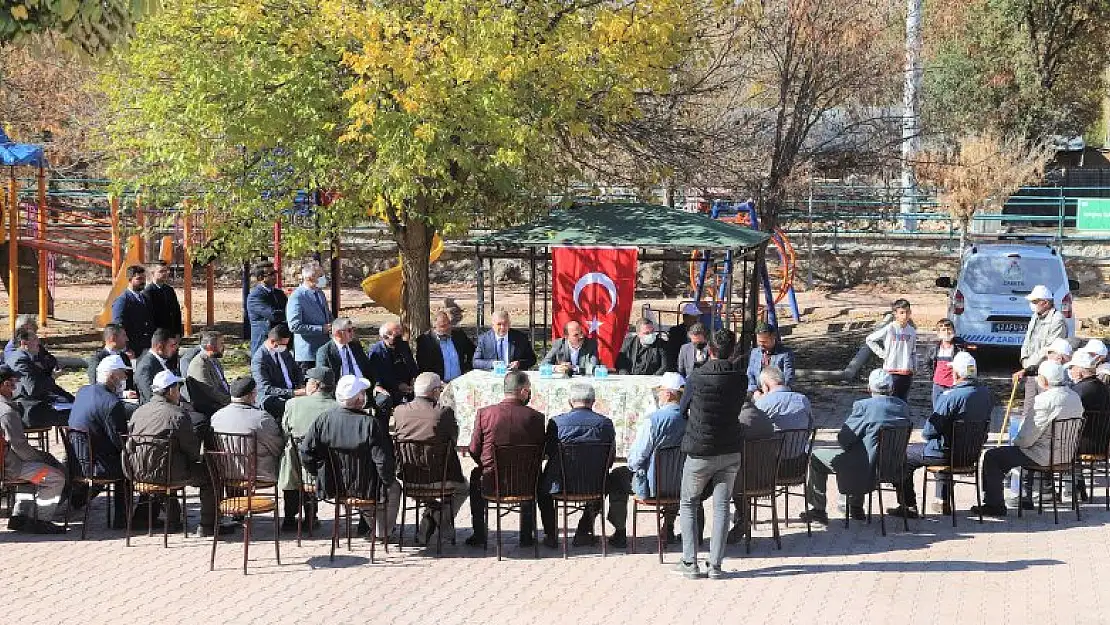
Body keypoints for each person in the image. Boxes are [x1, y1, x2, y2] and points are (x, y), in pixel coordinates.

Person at [675, 328, 745, 580]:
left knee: (689, 503)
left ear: (710, 349)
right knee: (722, 507)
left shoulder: (697, 376)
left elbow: (682, 410)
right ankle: (715, 565)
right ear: (733, 350)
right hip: (730, 448)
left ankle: (689, 561)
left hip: (700, 449)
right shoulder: (741, 378)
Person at [888, 352, 993, 519]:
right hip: (970, 454)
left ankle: (908, 505)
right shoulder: (986, 394)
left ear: (957, 373)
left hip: (944, 454)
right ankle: (942, 499)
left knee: (904, 455)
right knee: (942, 444)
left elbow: (929, 431)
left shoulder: (951, 396)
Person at [800, 369, 912, 525]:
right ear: (892, 389)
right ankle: (854, 506)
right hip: (894, 465)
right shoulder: (903, 407)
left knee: (817, 457)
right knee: (863, 449)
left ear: (869, 388)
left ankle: (818, 509)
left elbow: (844, 439)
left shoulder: (863, 406)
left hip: (866, 467)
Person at [973, 360, 1084, 517]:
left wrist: (1015, 442)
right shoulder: (1075, 397)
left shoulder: (1044, 401)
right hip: (1067, 454)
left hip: (1043, 455)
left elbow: (1025, 439)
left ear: (1044, 380)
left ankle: (994, 504)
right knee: (1007, 455)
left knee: (992, 456)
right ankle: (1018, 495)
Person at [299, 374, 401, 542]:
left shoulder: (323, 420)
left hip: (334, 485)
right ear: (359, 398)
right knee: (393, 487)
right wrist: (388, 480)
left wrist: (320, 474)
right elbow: (382, 460)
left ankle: (377, 528)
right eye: (363, 392)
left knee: (380, 490)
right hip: (366, 488)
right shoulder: (370, 423)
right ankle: (383, 531)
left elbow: (306, 451)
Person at [127, 370, 226, 537]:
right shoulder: (178, 415)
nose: (179, 393)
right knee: (210, 475)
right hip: (167, 473)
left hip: (138, 471)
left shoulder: (138, 412)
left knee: (168, 461)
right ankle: (208, 525)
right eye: (178, 388)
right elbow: (192, 451)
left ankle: (173, 520)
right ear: (171, 391)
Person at [605, 372, 686, 548]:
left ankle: (620, 532)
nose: (658, 395)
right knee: (674, 474)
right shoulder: (690, 418)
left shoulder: (654, 420)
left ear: (668, 393)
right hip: (682, 484)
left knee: (617, 477)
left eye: (660, 391)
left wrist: (636, 466)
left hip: (652, 486)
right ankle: (669, 526)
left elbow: (636, 459)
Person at [466, 370, 545, 548]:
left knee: (475, 476)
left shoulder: (485, 414)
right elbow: (541, 451)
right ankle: (526, 535)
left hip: (491, 480)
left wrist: (485, 465)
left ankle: (479, 534)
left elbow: (473, 449)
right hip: (525, 482)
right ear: (524, 392)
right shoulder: (536, 417)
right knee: (535, 473)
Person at [536, 383, 616, 549]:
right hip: (593, 484)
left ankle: (551, 534)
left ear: (570, 401)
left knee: (541, 486)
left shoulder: (556, 423)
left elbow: (548, 453)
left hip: (561, 484)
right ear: (593, 401)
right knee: (605, 482)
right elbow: (610, 458)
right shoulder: (606, 424)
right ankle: (583, 530)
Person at [392, 372, 469, 545]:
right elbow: (454, 440)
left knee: (434, 487)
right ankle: (436, 516)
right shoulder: (443, 412)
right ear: (435, 391)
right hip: (439, 478)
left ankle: (432, 512)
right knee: (464, 488)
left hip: (410, 477)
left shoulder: (399, 411)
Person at [0, 365, 67, 534]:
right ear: (5, 385)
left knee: (36, 474)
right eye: (13, 382)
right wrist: (40, 458)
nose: (16, 387)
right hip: (11, 467)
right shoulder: (6, 412)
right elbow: (19, 446)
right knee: (54, 477)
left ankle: (19, 517)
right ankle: (42, 520)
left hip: (7, 462)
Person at [68, 355, 132, 526]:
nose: (125, 378)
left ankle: (77, 498)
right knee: (129, 465)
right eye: (123, 374)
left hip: (76, 461)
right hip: (97, 465)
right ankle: (122, 518)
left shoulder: (83, 392)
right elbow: (120, 441)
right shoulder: (112, 403)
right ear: (112, 376)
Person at [279, 367, 337, 531]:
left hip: (297, 467)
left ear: (316, 385)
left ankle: (289, 517)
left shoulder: (293, 404)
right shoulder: (337, 407)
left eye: (308, 382)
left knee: (289, 453)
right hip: (328, 467)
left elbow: (285, 431)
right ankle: (311, 516)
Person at [210, 377, 285, 485]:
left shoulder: (216, 417)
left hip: (226, 474)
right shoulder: (262, 418)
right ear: (252, 395)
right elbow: (278, 448)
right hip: (259, 476)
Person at [1014, 284, 1068, 425]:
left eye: (1034, 302)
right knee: (1028, 409)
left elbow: (1049, 349)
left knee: (1044, 410)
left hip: (1046, 372)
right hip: (1031, 370)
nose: (1032, 305)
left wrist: (1030, 365)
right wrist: (1025, 360)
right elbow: (1027, 340)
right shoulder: (1035, 317)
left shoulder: (1057, 320)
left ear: (1045, 302)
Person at [6, 328, 74, 428]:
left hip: (38, 404)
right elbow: (33, 389)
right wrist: (53, 376)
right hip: (30, 410)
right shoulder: (20, 360)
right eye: (34, 339)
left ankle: (75, 442)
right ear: (24, 343)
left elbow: (46, 382)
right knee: (78, 415)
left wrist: (71, 398)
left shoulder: (28, 357)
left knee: (77, 409)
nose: (38, 342)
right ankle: (78, 443)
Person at [1069, 350, 1110, 502]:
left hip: (1081, 444)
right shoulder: (1104, 388)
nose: (1070, 371)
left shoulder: (1079, 390)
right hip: (1103, 444)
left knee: (1052, 441)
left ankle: (1046, 488)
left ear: (1079, 372)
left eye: (1072, 368)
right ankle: (1078, 489)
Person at [865, 298, 917, 401]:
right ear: (895, 314)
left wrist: (914, 367)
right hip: (891, 370)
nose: (904, 315)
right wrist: (883, 354)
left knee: (902, 400)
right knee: (889, 399)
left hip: (906, 371)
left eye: (907, 312)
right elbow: (870, 339)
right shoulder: (890, 328)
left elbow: (913, 351)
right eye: (901, 313)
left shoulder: (912, 331)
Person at [286, 261, 332, 372]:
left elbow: (327, 315)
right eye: (320, 275)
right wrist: (321, 329)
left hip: (324, 350)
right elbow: (294, 326)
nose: (323, 278)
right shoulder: (297, 297)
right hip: (307, 354)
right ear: (309, 278)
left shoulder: (320, 293)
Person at [251, 325, 305, 419]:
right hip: (273, 397)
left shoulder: (283, 351)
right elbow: (266, 388)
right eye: (283, 345)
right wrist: (294, 393)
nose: (284, 347)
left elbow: (296, 369)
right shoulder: (259, 359)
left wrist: (301, 384)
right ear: (272, 342)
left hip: (292, 391)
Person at [367, 320, 418, 418]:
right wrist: (397, 385)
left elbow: (412, 366)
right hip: (386, 388)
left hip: (407, 385)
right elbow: (376, 375)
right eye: (397, 335)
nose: (400, 337)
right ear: (386, 336)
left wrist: (413, 380)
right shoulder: (376, 352)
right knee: (383, 401)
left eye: (400, 334)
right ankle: (382, 432)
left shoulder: (403, 346)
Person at [415, 309, 475, 383]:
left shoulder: (458, 335)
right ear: (434, 326)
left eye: (449, 324)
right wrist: (436, 382)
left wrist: (467, 368)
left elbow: (472, 351)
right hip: (438, 385)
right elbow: (424, 367)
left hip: (459, 381)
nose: (447, 328)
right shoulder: (425, 340)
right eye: (443, 326)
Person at [925, 318, 969, 410]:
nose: (947, 332)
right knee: (937, 411)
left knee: (952, 411)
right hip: (938, 386)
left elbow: (970, 365)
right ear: (938, 333)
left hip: (954, 386)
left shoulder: (960, 347)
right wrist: (932, 377)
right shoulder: (934, 348)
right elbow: (927, 363)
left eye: (949, 329)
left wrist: (964, 380)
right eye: (943, 330)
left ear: (954, 331)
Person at [472, 309, 537, 371]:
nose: (502, 327)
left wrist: (519, 364)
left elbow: (532, 359)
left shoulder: (520, 338)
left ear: (509, 324)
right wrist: (492, 364)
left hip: (514, 375)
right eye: (499, 324)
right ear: (493, 325)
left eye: (505, 324)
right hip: (492, 375)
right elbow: (476, 362)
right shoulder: (484, 339)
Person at [752, 365, 811, 432]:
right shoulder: (803, 399)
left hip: (773, 442)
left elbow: (754, 428)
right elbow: (810, 426)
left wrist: (756, 403)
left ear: (766, 386)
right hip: (799, 441)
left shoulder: (763, 402)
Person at [186, 331, 231, 418]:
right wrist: (230, 401)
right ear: (210, 347)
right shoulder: (199, 364)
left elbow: (223, 383)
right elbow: (210, 391)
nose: (224, 347)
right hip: (211, 408)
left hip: (223, 402)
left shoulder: (214, 360)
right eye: (221, 344)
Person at [246, 262, 288, 355]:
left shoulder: (279, 293)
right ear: (261, 278)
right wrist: (290, 313)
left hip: (280, 343)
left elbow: (287, 309)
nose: (274, 276)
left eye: (275, 273)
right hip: (263, 344)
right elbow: (273, 315)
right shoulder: (255, 296)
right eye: (271, 274)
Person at [111, 265, 154, 355]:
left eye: (144, 278)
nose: (143, 282)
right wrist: (125, 348)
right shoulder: (122, 301)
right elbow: (118, 326)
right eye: (139, 279)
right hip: (131, 349)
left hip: (146, 346)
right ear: (130, 280)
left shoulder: (145, 298)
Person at [316, 317, 374, 381]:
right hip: (341, 388)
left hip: (363, 385)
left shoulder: (355, 346)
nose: (352, 333)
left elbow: (368, 368)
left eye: (353, 329)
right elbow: (323, 378)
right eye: (349, 330)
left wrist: (377, 385)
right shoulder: (324, 352)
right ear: (338, 333)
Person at [133, 328, 181, 405]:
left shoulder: (162, 360)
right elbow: (150, 398)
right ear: (160, 347)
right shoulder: (146, 367)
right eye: (172, 345)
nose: (175, 349)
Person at [86, 324, 136, 396]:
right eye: (123, 336)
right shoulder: (97, 359)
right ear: (113, 338)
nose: (127, 339)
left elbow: (130, 382)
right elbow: (95, 385)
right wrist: (122, 394)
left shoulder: (124, 357)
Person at [745, 323, 796, 393]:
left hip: (778, 392)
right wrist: (755, 390)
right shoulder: (755, 352)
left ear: (773, 337)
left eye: (764, 342)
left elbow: (789, 377)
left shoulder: (785, 354)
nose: (761, 344)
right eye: (759, 341)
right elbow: (750, 374)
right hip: (757, 391)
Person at [143, 261, 184, 338]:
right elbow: (149, 317)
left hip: (171, 334)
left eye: (166, 271)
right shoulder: (148, 292)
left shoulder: (169, 290)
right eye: (161, 271)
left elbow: (176, 312)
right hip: (157, 335)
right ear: (153, 273)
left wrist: (178, 333)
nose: (165, 273)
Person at [665, 302, 701, 372]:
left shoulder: (701, 332)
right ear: (685, 317)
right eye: (693, 317)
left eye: (697, 317)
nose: (696, 320)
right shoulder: (675, 332)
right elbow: (672, 353)